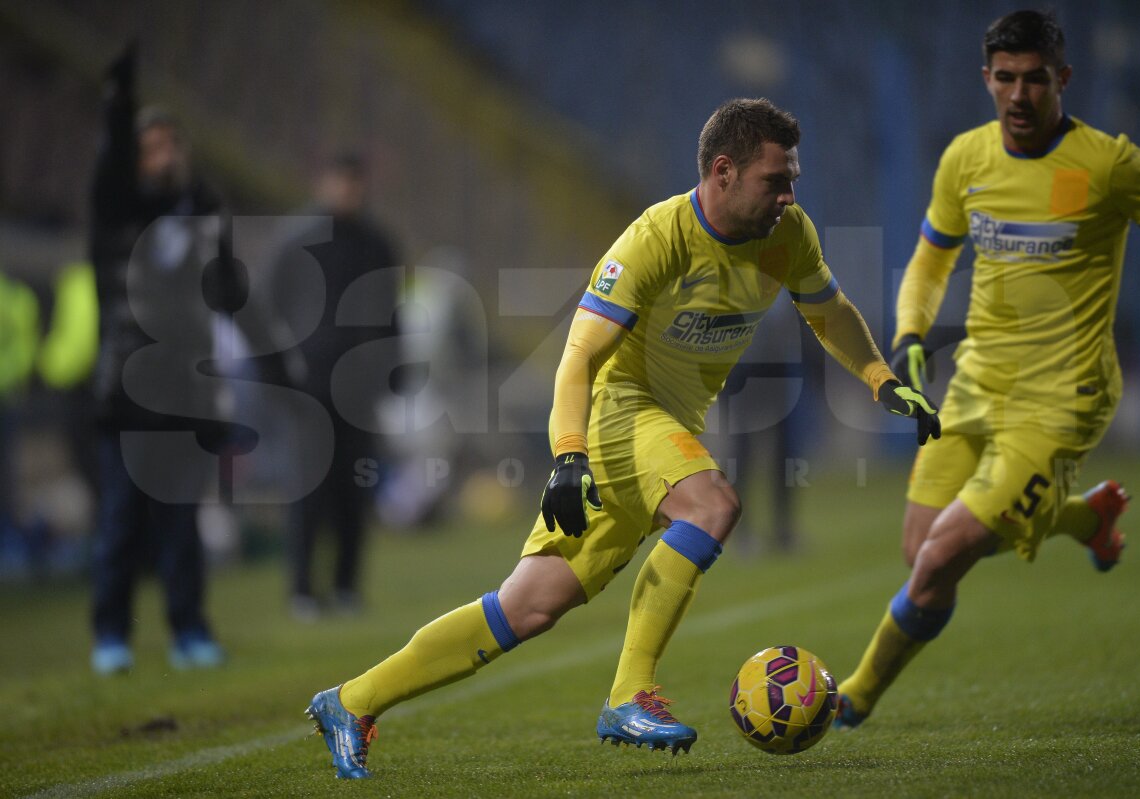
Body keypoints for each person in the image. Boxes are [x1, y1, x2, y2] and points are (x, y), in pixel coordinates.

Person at [306, 97, 940, 779]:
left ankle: (351, 699)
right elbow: (576, 358)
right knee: (713, 505)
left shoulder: (788, 235)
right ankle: (628, 692)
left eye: (792, 180)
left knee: (527, 606)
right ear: (722, 171)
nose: (788, 195)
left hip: (666, 432)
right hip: (620, 414)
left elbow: (830, 311)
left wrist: (879, 377)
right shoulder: (655, 239)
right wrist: (568, 455)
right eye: (774, 180)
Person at [835, 10, 1140, 728]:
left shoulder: (1110, 163)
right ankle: (1083, 515)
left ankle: (854, 694)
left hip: (1063, 397)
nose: (1020, 95)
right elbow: (931, 258)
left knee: (939, 557)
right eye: (1006, 78)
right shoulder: (966, 159)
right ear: (987, 80)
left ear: (1062, 79)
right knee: (919, 550)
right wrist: (909, 331)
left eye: (1036, 79)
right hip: (975, 382)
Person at [88, 43, 293, 674]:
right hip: (129, 389)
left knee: (182, 525)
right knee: (122, 520)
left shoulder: (203, 215)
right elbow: (113, 174)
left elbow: (234, 292)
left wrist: (278, 359)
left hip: (188, 390)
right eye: (153, 146)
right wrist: (120, 106)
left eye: (173, 143)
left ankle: (189, 632)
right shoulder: (118, 214)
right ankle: (111, 637)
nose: (166, 154)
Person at [268, 154, 400, 620]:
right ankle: (303, 589)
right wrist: (279, 373)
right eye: (341, 183)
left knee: (355, 487)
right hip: (310, 385)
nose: (349, 192)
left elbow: (391, 312)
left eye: (355, 184)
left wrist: (394, 369)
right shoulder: (297, 241)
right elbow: (267, 311)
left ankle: (346, 586)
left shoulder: (376, 243)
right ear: (324, 183)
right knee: (308, 488)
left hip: (360, 388)